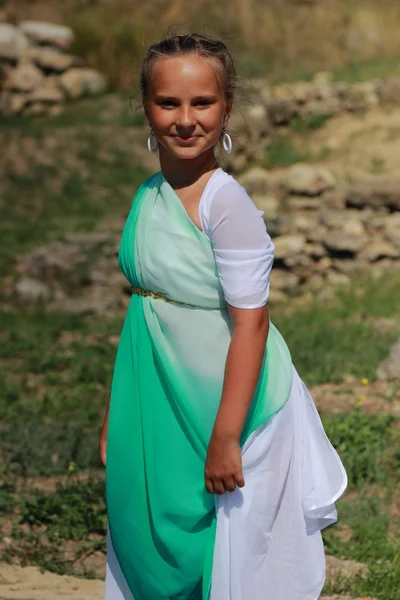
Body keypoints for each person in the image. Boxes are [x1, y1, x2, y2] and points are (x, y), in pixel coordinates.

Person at [100, 33, 347, 600]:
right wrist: (118, 414)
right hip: (159, 396)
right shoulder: (149, 193)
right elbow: (145, 308)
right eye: (168, 104)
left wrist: (227, 437)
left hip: (236, 407)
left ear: (226, 108)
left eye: (202, 103)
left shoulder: (225, 203)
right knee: (146, 534)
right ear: (146, 107)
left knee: (236, 558)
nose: (186, 120)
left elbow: (252, 324)